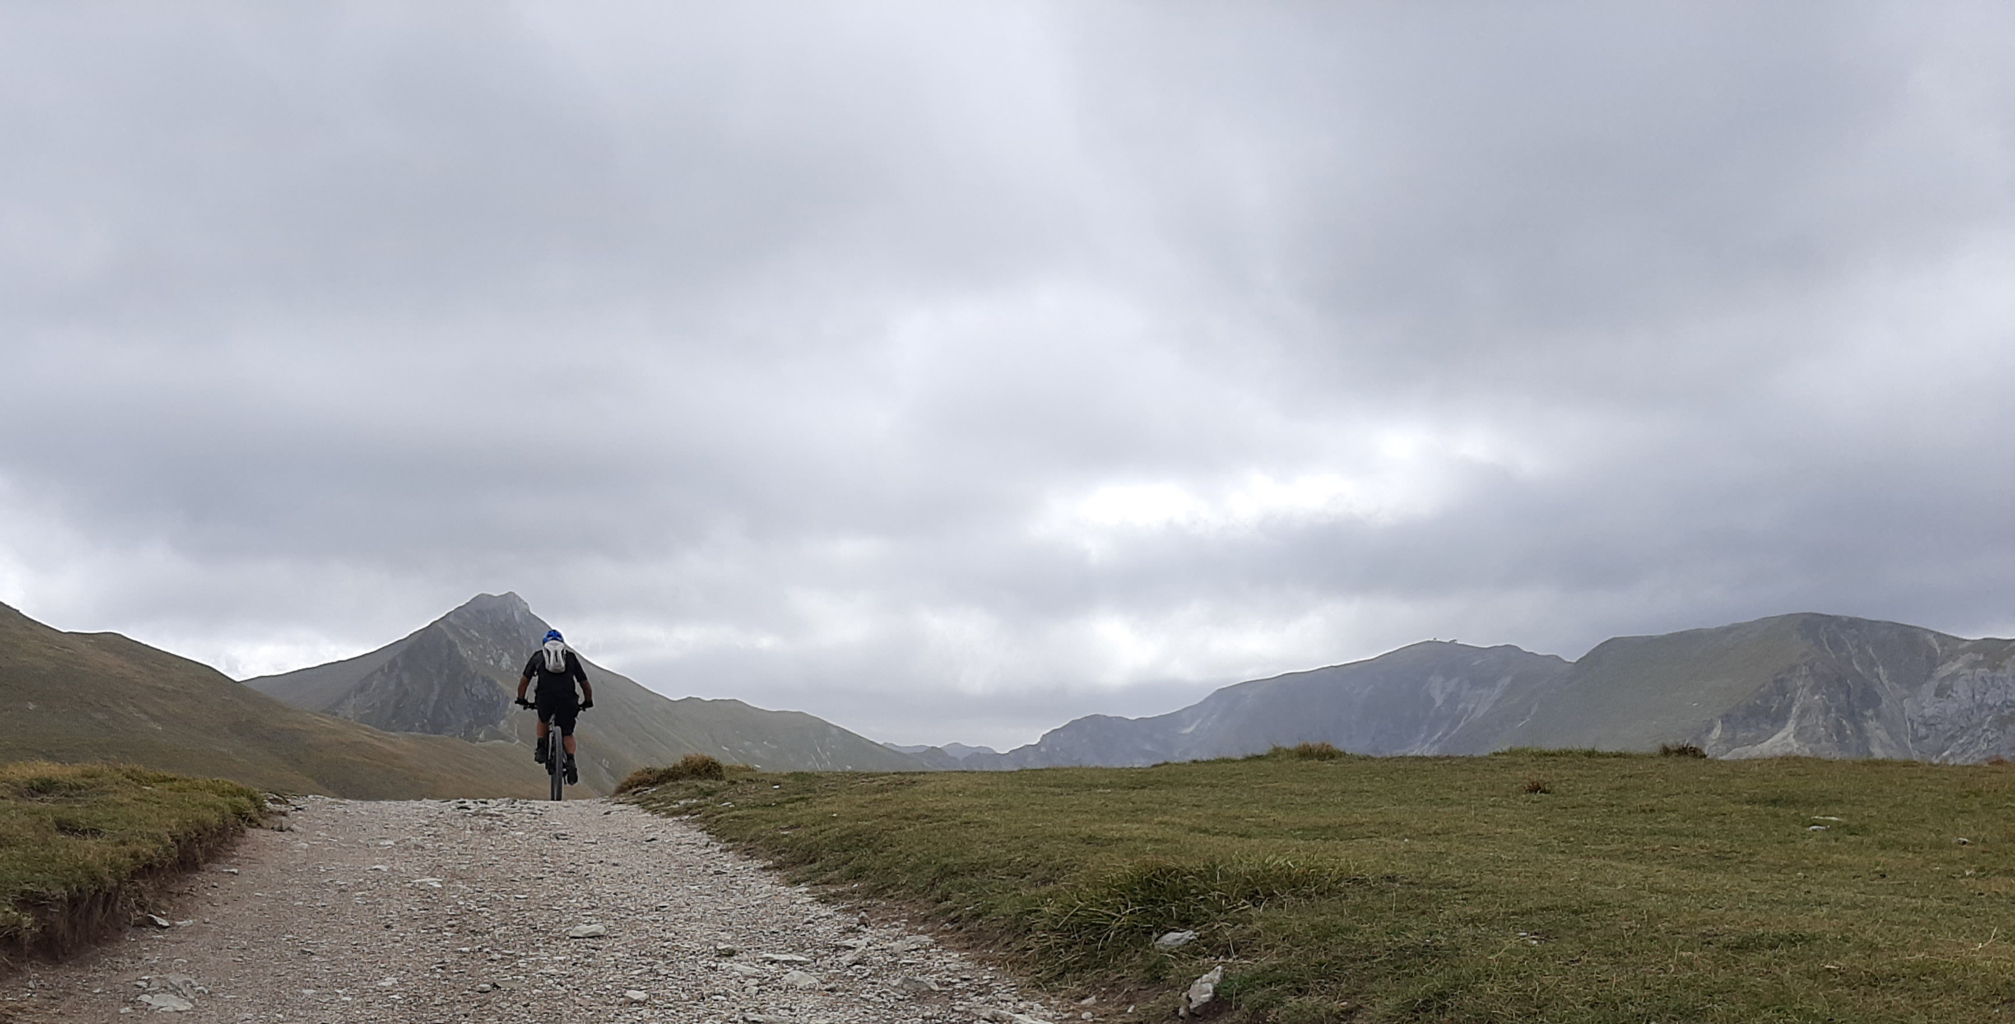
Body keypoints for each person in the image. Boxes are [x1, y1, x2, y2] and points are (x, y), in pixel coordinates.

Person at [515, 628, 594, 785]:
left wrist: (521, 699)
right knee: (567, 732)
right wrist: (587, 701)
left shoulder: (538, 656)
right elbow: (584, 684)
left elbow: (524, 681)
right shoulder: (570, 658)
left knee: (543, 718)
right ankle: (570, 760)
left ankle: (541, 747)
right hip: (568, 699)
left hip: (545, 698)